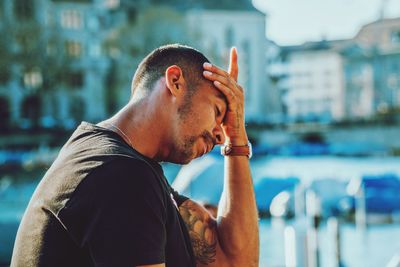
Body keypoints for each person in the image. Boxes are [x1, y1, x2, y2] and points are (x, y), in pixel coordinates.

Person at [11, 44, 259, 267]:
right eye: (217, 112)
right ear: (175, 81)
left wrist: (237, 138)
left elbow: (234, 261)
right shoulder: (119, 174)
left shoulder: (122, 165)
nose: (220, 135)